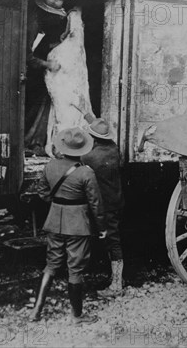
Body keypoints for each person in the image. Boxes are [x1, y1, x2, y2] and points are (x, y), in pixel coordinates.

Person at [30, 127, 106, 324]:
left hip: (55, 220)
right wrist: (102, 227)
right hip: (78, 224)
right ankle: (77, 315)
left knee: (51, 264)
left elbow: (42, 191)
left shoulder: (51, 166)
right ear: (81, 150)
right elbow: (95, 204)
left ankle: (36, 311)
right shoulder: (86, 173)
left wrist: (57, 204)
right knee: (75, 269)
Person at [81, 115, 126, 296]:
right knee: (113, 238)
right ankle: (117, 277)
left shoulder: (89, 157)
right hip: (116, 200)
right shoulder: (114, 149)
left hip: (103, 205)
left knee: (112, 242)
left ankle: (116, 286)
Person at [24, 0, 68, 155]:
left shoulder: (40, 25)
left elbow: (38, 46)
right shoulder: (32, 25)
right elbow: (26, 56)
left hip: (34, 73)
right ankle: (29, 140)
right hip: (28, 74)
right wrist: (47, 64)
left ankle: (33, 139)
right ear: (45, 12)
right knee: (33, 105)